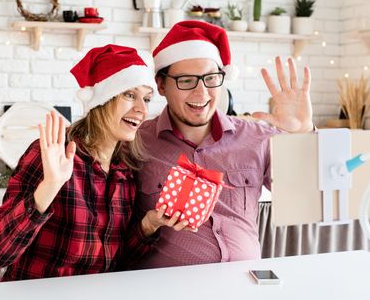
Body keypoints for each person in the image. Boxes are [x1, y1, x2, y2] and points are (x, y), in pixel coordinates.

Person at [0, 44, 186, 281]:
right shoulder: (53, 154)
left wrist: (148, 225)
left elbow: (118, 263)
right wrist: (49, 186)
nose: (142, 109)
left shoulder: (124, 171)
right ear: (102, 100)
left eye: (147, 99)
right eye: (130, 95)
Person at [128, 21, 314, 269]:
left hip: (245, 283)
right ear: (161, 85)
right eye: (186, 81)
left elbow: (305, 200)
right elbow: (115, 237)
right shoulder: (134, 141)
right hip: (169, 288)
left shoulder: (257, 137)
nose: (201, 93)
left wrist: (303, 135)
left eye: (210, 78)